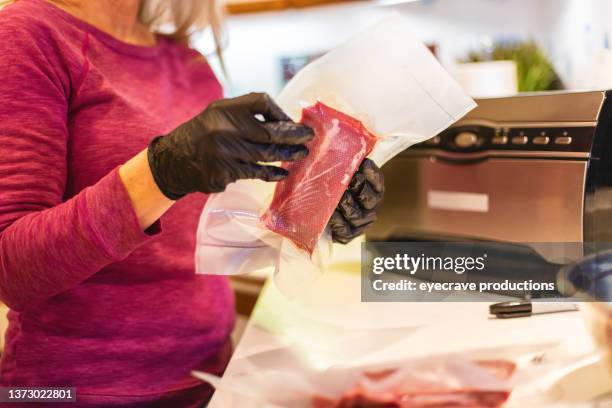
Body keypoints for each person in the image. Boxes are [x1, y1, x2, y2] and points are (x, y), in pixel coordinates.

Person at [0, 0, 385, 406]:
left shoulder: (188, 62)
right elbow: (12, 272)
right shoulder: (27, 33)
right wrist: (161, 171)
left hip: (209, 377)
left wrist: (321, 206)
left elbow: (207, 227)